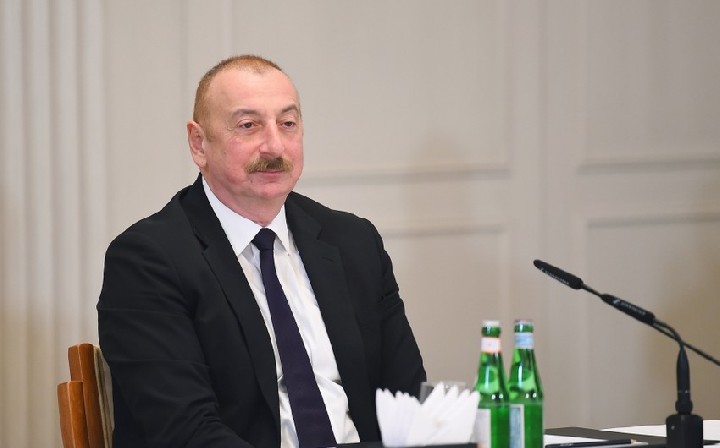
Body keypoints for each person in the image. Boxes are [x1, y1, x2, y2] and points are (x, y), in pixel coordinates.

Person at [97, 54, 426, 448]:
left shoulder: (354, 241)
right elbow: (184, 432)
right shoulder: (147, 261)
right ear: (199, 144)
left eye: (287, 124)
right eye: (248, 126)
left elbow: (407, 399)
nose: (274, 146)